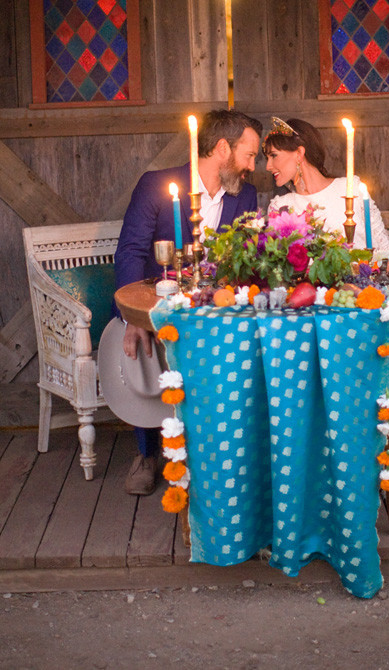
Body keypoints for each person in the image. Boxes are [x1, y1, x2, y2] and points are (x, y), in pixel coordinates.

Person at [263, 117, 389, 488]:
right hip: (313, 311)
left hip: (362, 299)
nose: (268, 167)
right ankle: (336, 455)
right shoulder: (280, 206)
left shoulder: (350, 189)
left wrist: (375, 286)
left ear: (299, 154)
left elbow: (386, 259)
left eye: (273, 156)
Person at [114, 108, 262, 495]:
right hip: (158, 303)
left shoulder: (244, 194)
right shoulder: (156, 185)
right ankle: (148, 453)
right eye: (248, 154)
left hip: (217, 308)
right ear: (222, 148)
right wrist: (134, 317)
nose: (252, 166)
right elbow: (130, 251)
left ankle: (214, 453)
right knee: (146, 346)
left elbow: (244, 257)